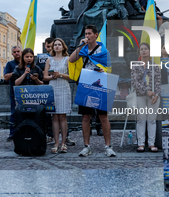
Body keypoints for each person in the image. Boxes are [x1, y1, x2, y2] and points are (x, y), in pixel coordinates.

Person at [69, 25, 116, 157]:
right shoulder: (82, 49)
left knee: (103, 117)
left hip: (101, 83)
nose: (87, 36)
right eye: (86, 34)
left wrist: (104, 70)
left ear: (96, 35)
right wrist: (79, 46)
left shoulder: (103, 51)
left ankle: (108, 146)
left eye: (89, 33)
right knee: (85, 117)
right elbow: (71, 59)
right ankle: (86, 146)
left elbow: (110, 68)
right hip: (85, 83)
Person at [131, 42, 161, 152]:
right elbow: (135, 82)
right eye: (141, 49)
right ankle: (141, 143)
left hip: (154, 96)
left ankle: (151, 144)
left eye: (146, 49)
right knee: (141, 120)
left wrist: (156, 95)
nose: (143, 51)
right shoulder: (135, 66)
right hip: (140, 96)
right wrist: (146, 91)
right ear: (139, 52)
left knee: (152, 120)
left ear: (149, 51)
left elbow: (158, 81)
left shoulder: (155, 66)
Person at [43, 38, 71, 153]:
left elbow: (71, 76)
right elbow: (45, 77)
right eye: (55, 45)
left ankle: (64, 142)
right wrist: (52, 77)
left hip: (63, 87)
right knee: (54, 116)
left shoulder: (67, 59)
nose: (57, 46)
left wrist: (60, 75)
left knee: (62, 116)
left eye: (59, 44)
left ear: (63, 47)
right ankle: (56, 142)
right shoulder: (49, 60)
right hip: (53, 87)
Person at [4, 45, 22, 141]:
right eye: (14, 52)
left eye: (18, 51)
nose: (17, 53)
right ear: (12, 53)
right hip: (14, 92)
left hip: (25, 91)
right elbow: (6, 77)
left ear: (21, 52)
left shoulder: (26, 63)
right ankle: (12, 133)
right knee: (13, 113)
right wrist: (16, 70)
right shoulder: (10, 64)